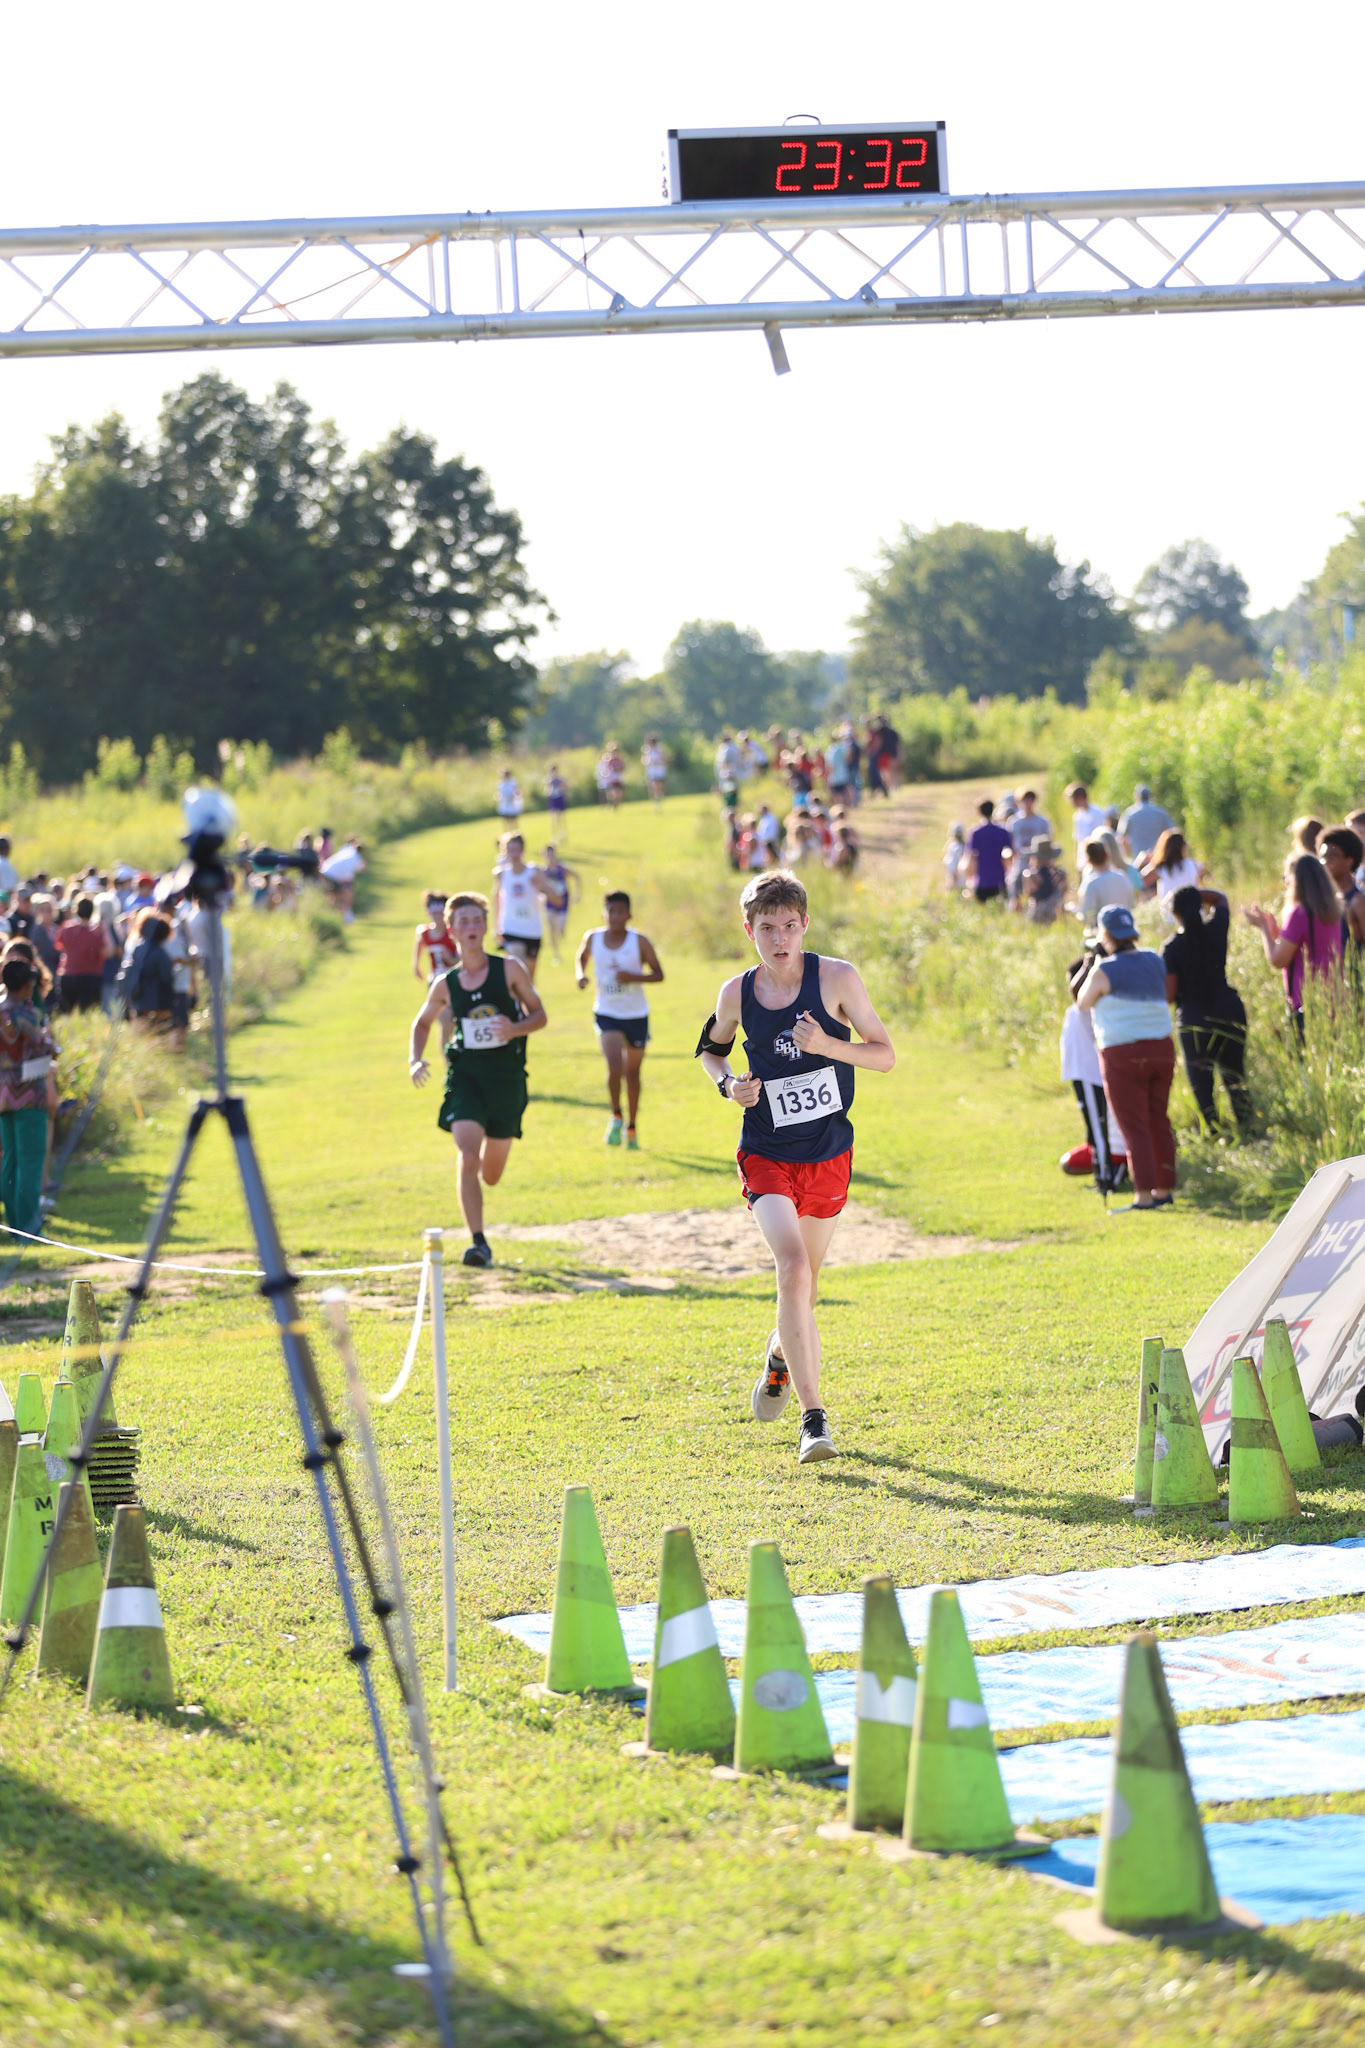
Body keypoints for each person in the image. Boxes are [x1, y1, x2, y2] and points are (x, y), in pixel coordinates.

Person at [694, 868, 895, 1467]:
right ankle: (814, 1420)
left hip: (827, 1152)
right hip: (766, 1150)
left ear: (805, 924)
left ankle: (781, 1355)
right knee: (792, 1266)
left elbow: (884, 1055)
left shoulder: (836, 979)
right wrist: (728, 1084)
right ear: (749, 930)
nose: (779, 938)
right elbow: (710, 1050)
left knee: (806, 1287)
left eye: (788, 925)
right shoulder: (737, 993)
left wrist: (828, 1045)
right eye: (766, 928)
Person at [408, 891, 547, 1268]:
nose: (471, 927)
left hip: (506, 1079)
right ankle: (478, 1243)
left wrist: (514, 1028)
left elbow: (540, 1015)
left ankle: (484, 1184)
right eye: (463, 922)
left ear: (485, 926)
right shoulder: (445, 983)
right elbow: (422, 1024)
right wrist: (415, 1059)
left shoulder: (510, 969)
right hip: (465, 1076)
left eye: (476, 920)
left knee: (492, 1174)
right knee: (468, 1157)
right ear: (451, 930)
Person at [1076, 903, 1177, 1213]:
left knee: (1134, 1126)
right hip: (1161, 1048)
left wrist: (1093, 961)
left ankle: (1143, 1195)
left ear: (1105, 934)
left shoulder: (1104, 969)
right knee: (1158, 1119)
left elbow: (1083, 1002)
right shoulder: (1154, 960)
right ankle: (1164, 1188)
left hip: (1122, 1053)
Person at [576, 890, 664, 1149]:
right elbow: (581, 957)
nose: (615, 916)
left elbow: (659, 974)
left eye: (620, 912)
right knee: (614, 1067)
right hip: (606, 1013)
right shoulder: (593, 938)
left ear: (628, 914)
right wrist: (581, 975)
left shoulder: (639, 942)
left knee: (632, 1074)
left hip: (636, 1015)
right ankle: (616, 1116)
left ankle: (632, 1126)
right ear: (604, 913)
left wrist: (633, 977)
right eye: (610, 911)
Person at [1163, 887, 1252, 1133]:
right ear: (1200, 906)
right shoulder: (1216, 928)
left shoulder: (1172, 947)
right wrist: (1194, 893)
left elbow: (1169, 994)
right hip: (1229, 1009)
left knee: (1202, 1084)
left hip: (1195, 1019)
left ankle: (1213, 1132)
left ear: (1175, 913)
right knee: (1235, 1074)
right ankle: (1247, 1126)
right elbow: (1221, 898)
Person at [1244, 854, 1344, 1031]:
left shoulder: (1299, 914)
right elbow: (1306, 945)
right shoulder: (1332, 911)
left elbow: (1278, 959)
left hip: (1305, 1001)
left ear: (1296, 881)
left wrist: (1263, 927)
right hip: (1333, 997)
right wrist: (1277, 933)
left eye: (1286, 878)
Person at [0, 956, 56, 1240]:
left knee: (10, 1161)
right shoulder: (27, 1015)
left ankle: (13, 1225)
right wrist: (49, 1037)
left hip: (2, 1095)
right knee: (31, 1161)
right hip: (29, 1095)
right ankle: (28, 1228)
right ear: (26, 986)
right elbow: (43, 1048)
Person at [492, 832, 556, 981]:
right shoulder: (501, 874)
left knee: (529, 978)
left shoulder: (534, 871)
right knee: (518, 966)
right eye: (510, 850)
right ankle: (515, 995)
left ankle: (525, 995)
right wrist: (496, 927)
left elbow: (556, 899)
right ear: (504, 851)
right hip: (510, 928)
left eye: (516, 850)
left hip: (532, 930)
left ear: (523, 850)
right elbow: (497, 900)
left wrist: (541, 886)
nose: (513, 854)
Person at [116, 912, 176, 1031]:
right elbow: (167, 978)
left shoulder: (138, 949)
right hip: (158, 1006)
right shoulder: (160, 953)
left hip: (137, 1003)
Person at [55, 895, 111, 1011]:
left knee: (66, 1012)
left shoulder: (67, 928)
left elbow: (59, 946)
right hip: (90, 978)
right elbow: (107, 952)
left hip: (68, 976)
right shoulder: (95, 933)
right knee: (88, 1013)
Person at [1319, 829, 1365, 967]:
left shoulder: (1358, 902)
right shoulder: (1329, 899)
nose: (1325, 862)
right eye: (1323, 856)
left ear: (1349, 861)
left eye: (1333, 856)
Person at [1077, 836, 1135, 938]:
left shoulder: (1090, 884)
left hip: (1104, 936)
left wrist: (1075, 913)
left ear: (1088, 860)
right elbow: (1132, 904)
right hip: (1127, 931)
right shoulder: (1122, 876)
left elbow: (1088, 917)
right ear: (1107, 855)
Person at [1145, 828, 1204, 922]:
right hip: (1195, 914)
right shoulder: (1195, 865)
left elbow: (1139, 881)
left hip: (1171, 916)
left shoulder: (1160, 868)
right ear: (1183, 847)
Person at [1008, 790, 1051, 904]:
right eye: (1025, 799)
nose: (1028, 802)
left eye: (1030, 799)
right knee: (1016, 892)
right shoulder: (1014, 822)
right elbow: (1011, 843)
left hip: (1038, 864)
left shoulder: (1042, 821)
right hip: (1020, 862)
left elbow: (1047, 842)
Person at [966, 799, 1013, 903]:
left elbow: (971, 856)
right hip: (999, 876)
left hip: (982, 878)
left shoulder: (976, 832)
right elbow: (1010, 852)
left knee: (982, 908)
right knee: (1000, 907)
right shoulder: (1002, 831)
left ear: (979, 812)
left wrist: (969, 876)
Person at [540, 844, 578, 959]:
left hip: (562, 901)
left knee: (560, 928)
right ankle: (555, 954)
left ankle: (560, 934)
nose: (550, 857)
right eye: (547, 855)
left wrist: (577, 894)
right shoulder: (542, 871)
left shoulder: (562, 869)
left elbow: (577, 876)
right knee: (550, 927)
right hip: (549, 901)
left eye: (551, 854)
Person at [1118, 784, 1174, 861]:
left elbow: (1121, 837)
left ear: (1136, 796)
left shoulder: (1130, 813)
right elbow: (1172, 832)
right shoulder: (1160, 812)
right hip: (1157, 858)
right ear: (1149, 796)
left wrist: (1126, 858)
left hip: (1137, 859)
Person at [413, 892, 457, 983]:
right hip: (435, 978)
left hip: (453, 978)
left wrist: (452, 960)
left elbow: (462, 955)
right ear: (428, 912)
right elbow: (419, 945)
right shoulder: (425, 933)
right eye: (434, 913)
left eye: (440, 913)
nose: (437, 916)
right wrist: (416, 966)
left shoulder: (452, 932)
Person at [320, 837, 366, 922]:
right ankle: (341, 916)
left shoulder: (348, 850)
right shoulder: (354, 858)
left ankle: (337, 916)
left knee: (336, 895)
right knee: (338, 896)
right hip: (330, 875)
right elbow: (346, 875)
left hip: (327, 871)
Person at [1022, 839, 1067, 924]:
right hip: (1057, 916)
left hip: (1037, 916)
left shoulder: (1030, 875)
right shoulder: (1060, 873)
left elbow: (1028, 893)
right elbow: (1065, 890)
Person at [1066, 783, 1109, 862]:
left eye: (1074, 799)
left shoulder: (1097, 812)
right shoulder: (1077, 816)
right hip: (1082, 857)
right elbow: (1077, 839)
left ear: (1082, 797)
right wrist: (1077, 858)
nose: (1072, 802)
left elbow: (1101, 835)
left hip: (1095, 855)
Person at [641, 735, 667, 805]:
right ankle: (655, 800)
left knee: (659, 786)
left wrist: (659, 762)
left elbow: (665, 758)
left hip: (659, 771)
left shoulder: (660, 749)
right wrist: (648, 762)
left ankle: (658, 799)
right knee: (653, 786)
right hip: (651, 771)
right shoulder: (647, 750)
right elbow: (643, 759)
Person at [545, 764, 569, 837]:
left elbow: (565, 786)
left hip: (559, 797)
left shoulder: (560, 779)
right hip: (553, 798)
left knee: (561, 815)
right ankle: (555, 832)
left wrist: (564, 790)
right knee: (553, 816)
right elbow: (547, 790)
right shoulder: (549, 779)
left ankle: (562, 830)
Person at [943, 823, 967, 895]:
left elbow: (953, 869)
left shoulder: (955, 848)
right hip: (963, 883)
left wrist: (951, 884)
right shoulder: (964, 846)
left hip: (956, 884)